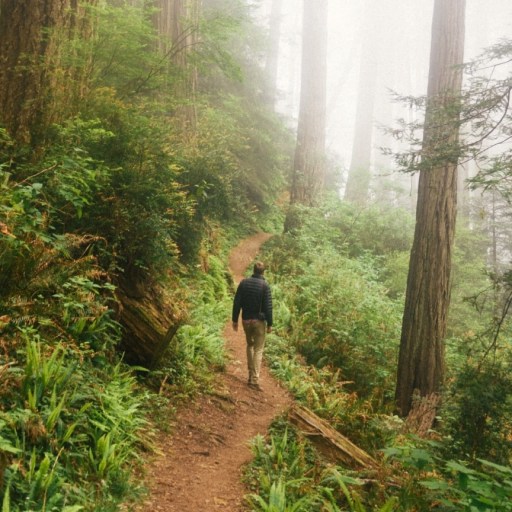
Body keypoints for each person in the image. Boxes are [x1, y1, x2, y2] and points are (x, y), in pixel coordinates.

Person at [232, 261, 273, 391]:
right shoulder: (265, 285)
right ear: (263, 272)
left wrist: (235, 320)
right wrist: (270, 323)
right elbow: (268, 307)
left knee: (250, 345)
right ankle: (254, 380)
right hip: (258, 321)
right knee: (258, 349)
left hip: (245, 321)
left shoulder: (244, 283)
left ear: (253, 270)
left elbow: (237, 302)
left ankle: (250, 375)